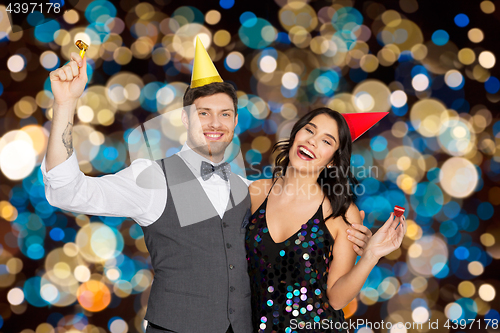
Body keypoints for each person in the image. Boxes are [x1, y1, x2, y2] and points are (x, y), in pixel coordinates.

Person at [41, 36, 372, 332]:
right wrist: (65, 104)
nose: (215, 123)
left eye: (225, 114)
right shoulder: (152, 177)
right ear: (185, 118)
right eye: (204, 113)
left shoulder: (249, 189)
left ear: (235, 122)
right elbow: (66, 190)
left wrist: (356, 239)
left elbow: (296, 224)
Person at [246, 108, 406, 332]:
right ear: (295, 135)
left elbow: (338, 299)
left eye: (326, 141)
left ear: (332, 161)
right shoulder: (256, 192)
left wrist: (371, 256)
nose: (312, 141)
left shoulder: (342, 212)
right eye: (309, 130)